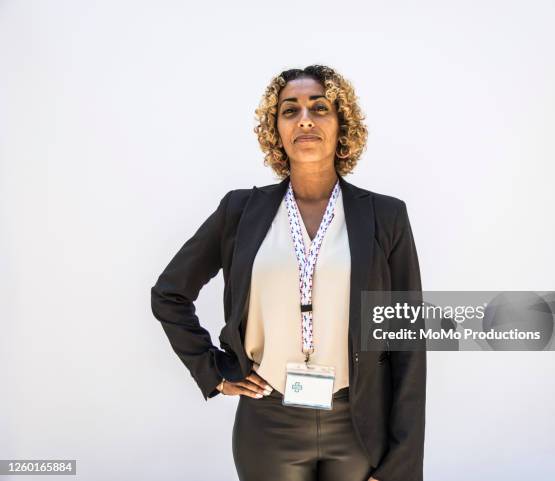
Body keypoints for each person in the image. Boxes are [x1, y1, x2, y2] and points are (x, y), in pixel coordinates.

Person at [150, 65, 426, 481]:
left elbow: (409, 343)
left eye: (320, 108)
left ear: (342, 124)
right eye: (289, 110)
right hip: (268, 420)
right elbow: (169, 293)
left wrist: (400, 468)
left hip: (357, 422)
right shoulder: (240, 212)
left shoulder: (385, 216)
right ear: (275, 129)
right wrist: (214, 372)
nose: (305, 119)